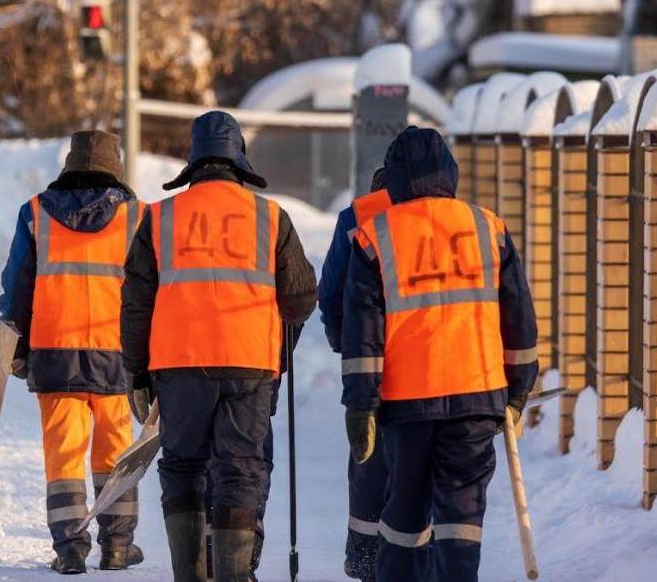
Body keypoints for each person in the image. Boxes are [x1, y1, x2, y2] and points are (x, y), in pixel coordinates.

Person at [120, 111, 318, 582]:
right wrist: (278, 347)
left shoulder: (159, 218)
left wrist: (136, 372)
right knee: (239, 469)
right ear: (239, 159)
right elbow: (301, 296)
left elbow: (135, 302)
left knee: (184, 465)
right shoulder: (271, 217)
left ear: (194, 160)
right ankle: (232, 574)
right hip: (249, 365)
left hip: (178, 363)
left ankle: (190, 576)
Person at [341, 127, 538, 582]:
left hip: (407, 403)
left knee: (404, 512)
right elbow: (519, 319)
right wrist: (518, 389)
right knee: (461, 517)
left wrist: (361, 405)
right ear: (450, 171)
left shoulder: (374, 237)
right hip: (477, 394)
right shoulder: (489, 228)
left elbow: (363, 335)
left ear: (394, 178)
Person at [0, 130, 146, 574]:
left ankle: (69, 550)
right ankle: (117, 546)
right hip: (115, 352)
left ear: (69, 165)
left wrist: (16, 347)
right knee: (116, 451)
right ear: (115, 169)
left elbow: (16, 287)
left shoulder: (36, 213)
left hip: (54, 351)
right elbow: (149, 290)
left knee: (63, 455)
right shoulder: (137, 217)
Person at [318, 166, 392, 581]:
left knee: (369, 457)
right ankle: (421, 550)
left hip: (370, 363)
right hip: (437, 364)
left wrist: (343, 342)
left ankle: (365, 557)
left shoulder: (358, 217)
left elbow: (331, 292)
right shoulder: (448, 215)